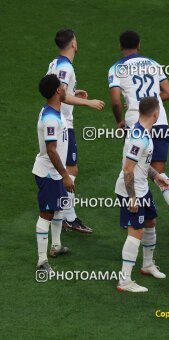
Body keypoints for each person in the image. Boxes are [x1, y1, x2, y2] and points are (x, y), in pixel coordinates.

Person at [108, 30, 169, 240]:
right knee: (157, 172)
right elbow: (168, 93)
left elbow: (115, 101)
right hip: (160, 121)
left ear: (119, 46)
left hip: (138, 123)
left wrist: (119, 120)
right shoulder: (153, 64)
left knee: (136, 167)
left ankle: (138, 205)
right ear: (139, 45)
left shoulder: (117, 68)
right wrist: (151, 99)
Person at [47, 28, 105, 233]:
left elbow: (59, 91)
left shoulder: (56, 63)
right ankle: (66, 217)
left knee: (68, 168)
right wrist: (87, 102)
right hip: (62, 123)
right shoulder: (65, 67)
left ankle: (63, 216)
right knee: (69, 169)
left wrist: (74, 93)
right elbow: (60, 95)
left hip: (58, 120)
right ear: (73, 44)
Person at [115, 97, 169, 293]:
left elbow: (141, 164)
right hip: (132, 191)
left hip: (142, 188)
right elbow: (128, 169)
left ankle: (147, 265)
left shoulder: (143, 132)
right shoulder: (139, 137)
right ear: (155, 114)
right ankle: (124, 280)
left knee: (150, 222)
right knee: (135, 231)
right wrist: (132, 197)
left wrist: (155, 177)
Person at [32, 74, 73, 273]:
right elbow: (51, 149)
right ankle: (42, 263)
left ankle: (56, 246)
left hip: (55, 172)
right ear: (58, 90)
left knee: (60, 207)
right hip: (49, 173)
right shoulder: (50, 118)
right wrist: (65, 175)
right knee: (47, 213)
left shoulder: (53, 111)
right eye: (63, 87)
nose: (65, 89)